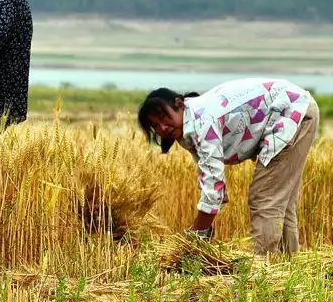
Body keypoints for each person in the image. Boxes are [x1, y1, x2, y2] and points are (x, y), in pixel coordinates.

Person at [135, 78, 320, 255]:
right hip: (298, 107)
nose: (163, 127)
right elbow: (211, 180)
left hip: (291, 113)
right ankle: (287, 264)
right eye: (155, 125)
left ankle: (263, 268)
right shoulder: (190, 122)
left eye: (163, 117)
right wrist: (204, 225)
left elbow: (213, 189)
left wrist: (197, 233)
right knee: (281, 200)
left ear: (179, 104)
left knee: (265, 196)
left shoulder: (202, 122)